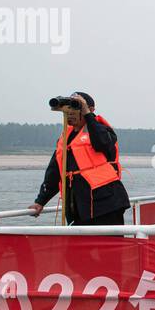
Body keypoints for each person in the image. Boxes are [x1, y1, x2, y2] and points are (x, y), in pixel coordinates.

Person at [28, 92, 130, 225]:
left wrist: (87, 114)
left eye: (76, 108)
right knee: (81, 244)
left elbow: (102, 143)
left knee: (109, 244)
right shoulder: (65, 139)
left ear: (91, 110)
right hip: (78, 207)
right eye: (69, 109)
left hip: (106, 204)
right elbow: (54, 173)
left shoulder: (102, 130)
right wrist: (40, 201)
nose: (71, 113)